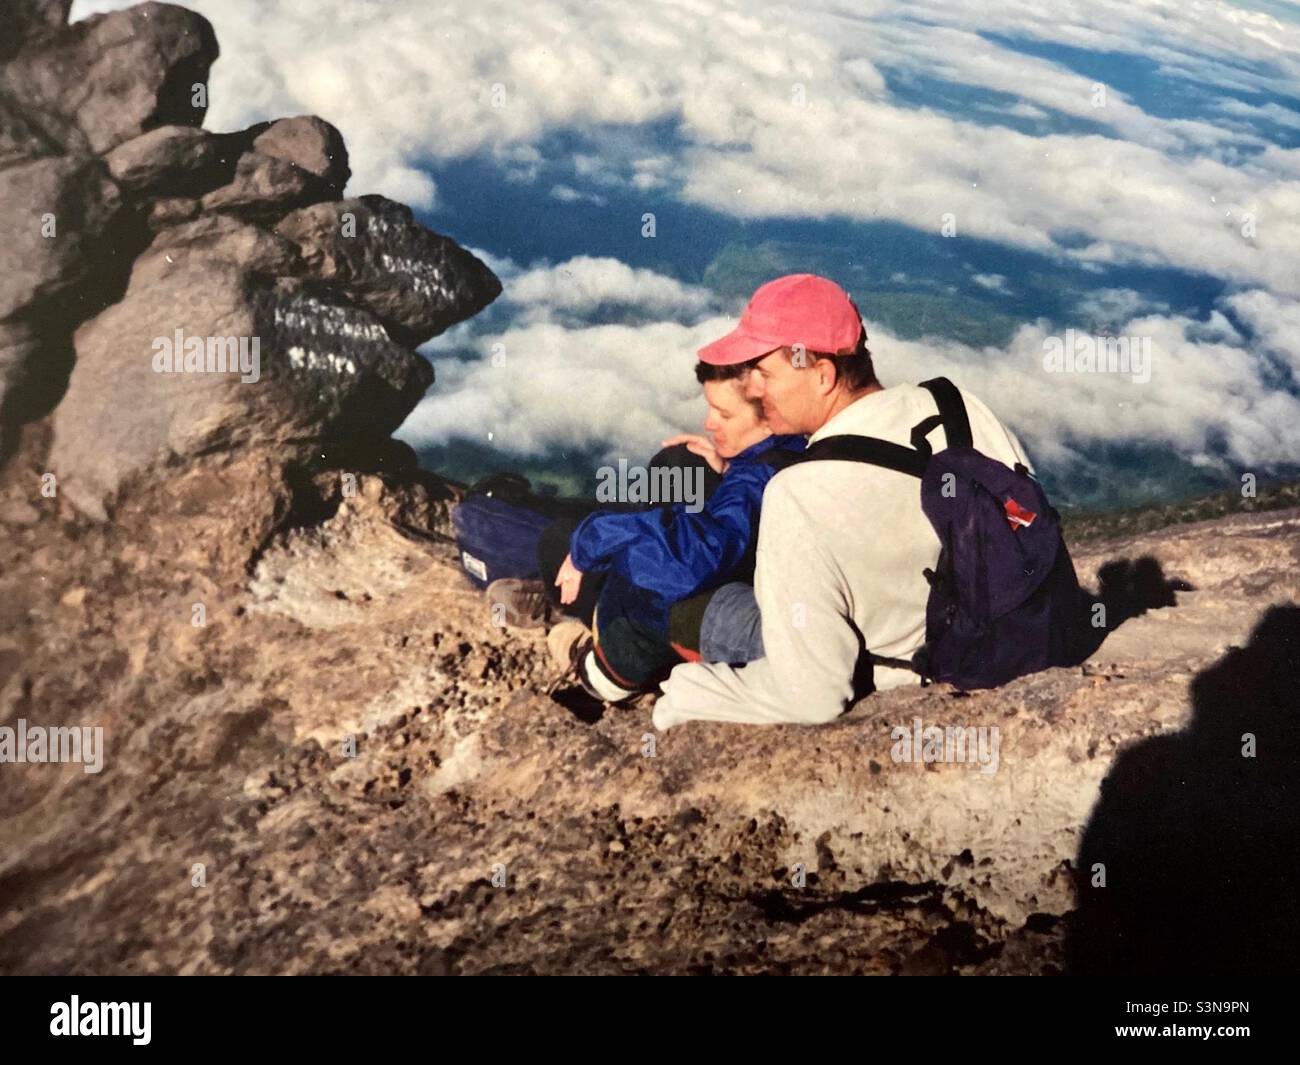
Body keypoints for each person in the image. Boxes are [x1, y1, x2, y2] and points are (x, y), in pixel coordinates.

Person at [652, 273, 1033, 729]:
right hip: (1025, 634)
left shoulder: (800, 493)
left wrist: (686, 695)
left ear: (824, 375)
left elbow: (816, 698)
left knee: (694, 602)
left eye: (764, 374)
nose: (752, 389)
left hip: (916, 672)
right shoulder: (958, 406)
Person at [489, 359, 805, 703]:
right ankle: (580, 582)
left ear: (770, 419)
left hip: (704, 597)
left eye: (725, 415)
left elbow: (691, 559)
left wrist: (595, 540)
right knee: (680, 461)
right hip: (736, 558)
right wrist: (730, 468)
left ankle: (585, 626)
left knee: (558, 542)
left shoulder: (755, 486)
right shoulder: (788, 450)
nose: (709, 423)